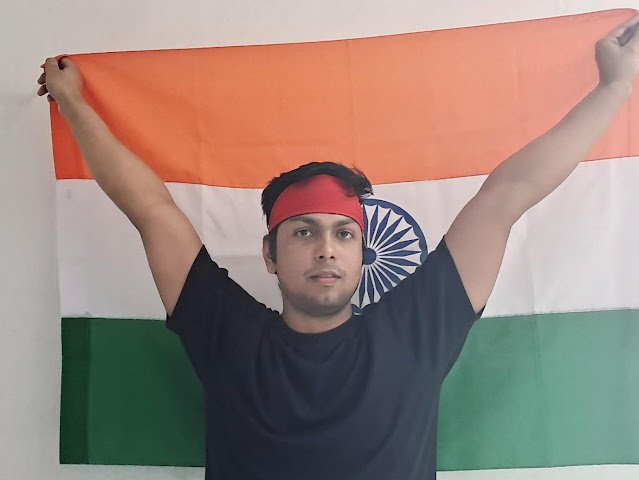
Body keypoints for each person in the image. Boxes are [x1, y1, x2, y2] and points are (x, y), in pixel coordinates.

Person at [37, 14, 639, 480]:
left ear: (362, 251)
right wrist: (75, 104)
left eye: (343, 233)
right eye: (303, 231)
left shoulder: (417, 328)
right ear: (270, 254)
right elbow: (151, 210)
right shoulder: (225, 332)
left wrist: (614, 90)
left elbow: (507, 195)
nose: (326, 249)